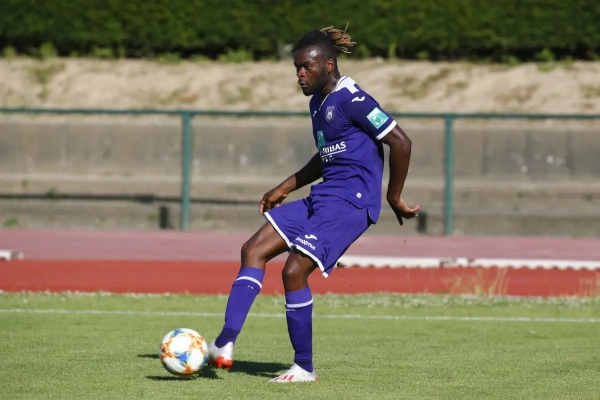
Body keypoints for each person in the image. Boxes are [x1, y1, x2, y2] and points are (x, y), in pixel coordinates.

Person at [206, 24, 419, 383]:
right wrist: (285, 186)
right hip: (324, 197)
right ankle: (224, 343)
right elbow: (327, 156)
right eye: (297, 68)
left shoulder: (353, 98)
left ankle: (304, 367)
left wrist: (393, 196)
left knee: (293, 271)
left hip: (351, 203)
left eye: (306, 66)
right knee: (253, 249)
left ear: (328, 66)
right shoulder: (317, 103)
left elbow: (401, 141)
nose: (300, 74)